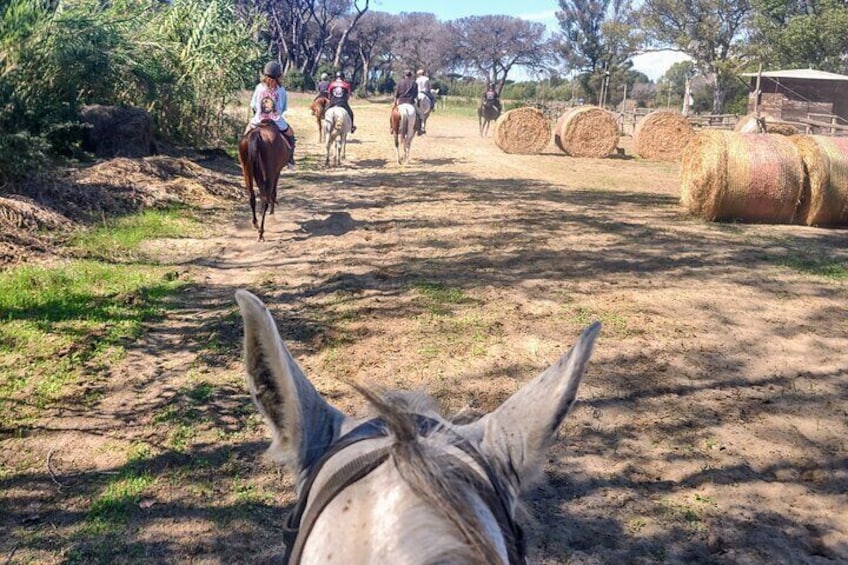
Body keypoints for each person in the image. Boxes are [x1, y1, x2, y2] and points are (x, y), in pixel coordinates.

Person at [247, 61, 296, 170]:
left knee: (246, 134)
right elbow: (283, 108)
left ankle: (244, 156)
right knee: (291, 133)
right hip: (276, 120)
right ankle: (290, 159)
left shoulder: (259, 87)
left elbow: (254, 105)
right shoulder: (281, 90)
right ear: (279, 76)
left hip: (259, 119)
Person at [395, 69, 422, 134]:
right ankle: (420, 129)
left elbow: (396, 94)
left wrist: (395, 101)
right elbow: (415, 95)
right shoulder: (414, 83)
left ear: (404, 75)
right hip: (411, 102)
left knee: (392, 114)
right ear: (411, 75)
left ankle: (392, 128)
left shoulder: (400, 82)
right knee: (420, 115)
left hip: (401, 102)